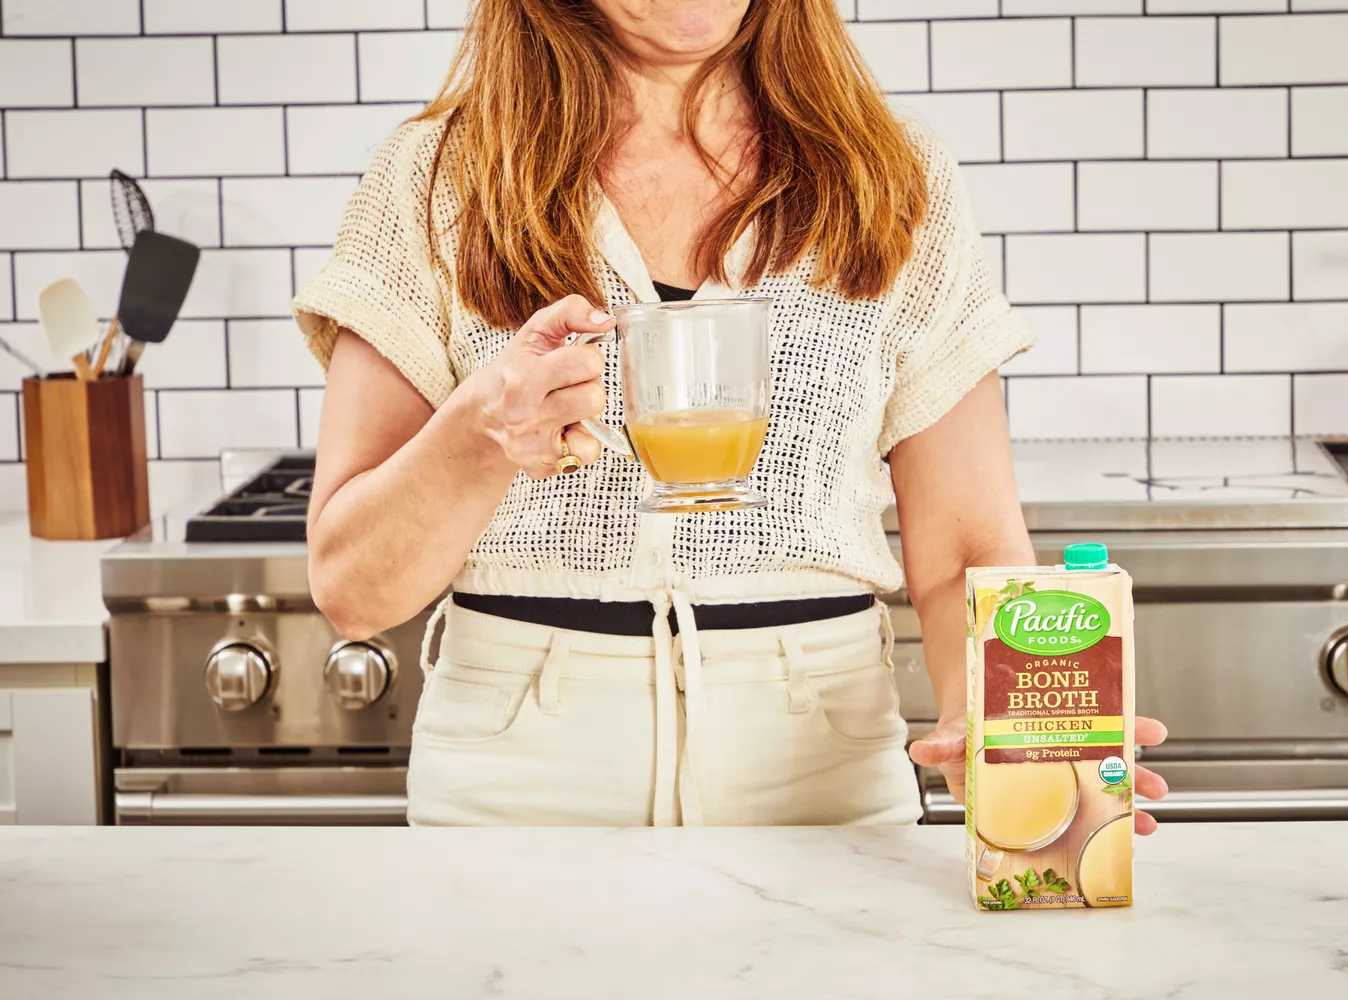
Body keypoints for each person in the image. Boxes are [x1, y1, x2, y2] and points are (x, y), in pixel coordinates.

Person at [293, 0, 1168, 829]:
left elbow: (970, 548)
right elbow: (353, 589)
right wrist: (478, 434)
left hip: (821, 777)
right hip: (517, 780)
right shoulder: (437, 178)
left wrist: (1000, 723)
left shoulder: (894, 180)